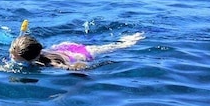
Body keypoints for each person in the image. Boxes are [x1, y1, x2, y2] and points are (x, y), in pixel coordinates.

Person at [9, 32, 145, 69]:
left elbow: (79, 68)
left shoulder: (52, 64)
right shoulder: (25, 53)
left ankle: (136, 37)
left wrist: (67, 93)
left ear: (31, 59)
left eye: (14, 56)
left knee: (118, 46)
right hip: (62, 47)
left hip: (81, 53)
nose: (11, 56)